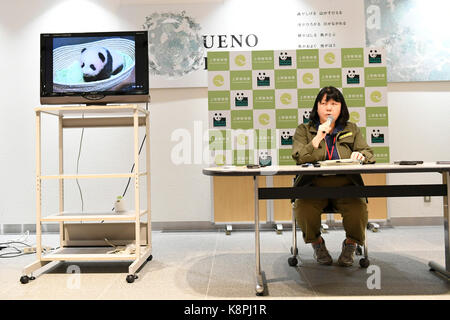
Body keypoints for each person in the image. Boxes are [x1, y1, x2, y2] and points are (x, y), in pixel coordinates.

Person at [291, 86, 375, 267]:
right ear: (317, 107)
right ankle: (317, 244)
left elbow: (368, 153)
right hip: (313, 186)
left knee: (358, 209)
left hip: (346, 186)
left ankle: (351, 245)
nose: (329, 108)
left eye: (334, 104)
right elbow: (299, 158)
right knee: (303, 208)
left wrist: (361, 156)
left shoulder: (351, 129)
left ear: (341, 107)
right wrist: (317, 138)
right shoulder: (304, 130)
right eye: (324, 103)